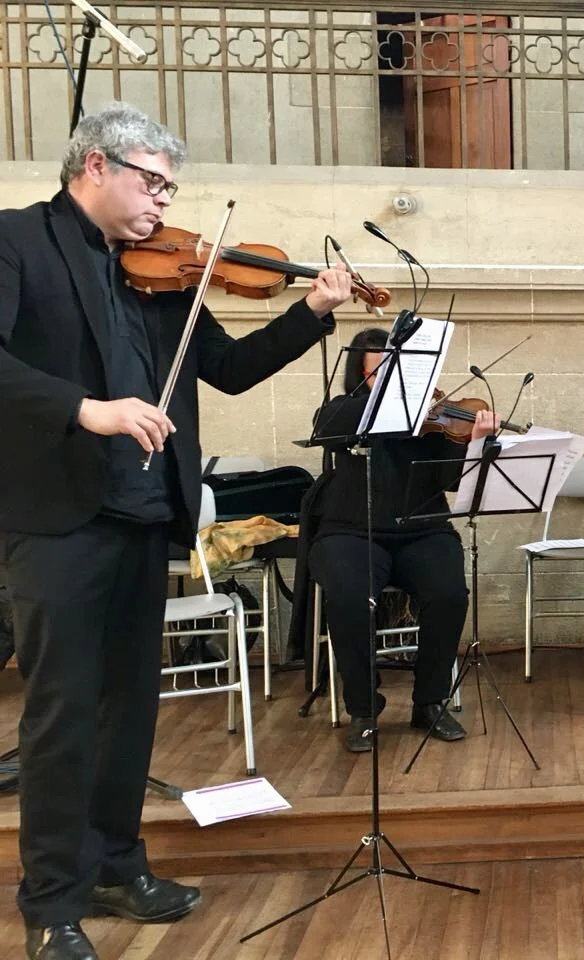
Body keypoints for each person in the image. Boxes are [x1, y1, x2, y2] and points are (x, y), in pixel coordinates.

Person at [0, 102, 351, 960]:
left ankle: (119, 864)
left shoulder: (161, 276)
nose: (163, 201)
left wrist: (311, 313)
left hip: (141, 516)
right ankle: (52, 902)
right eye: (152, 182)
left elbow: (225, 371)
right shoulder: (17, 240)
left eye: (169, 186)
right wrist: (85, 408)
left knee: (130, 711)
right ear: (96, 166)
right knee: (61, 712)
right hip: (56, 520)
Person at [307, 327, 497, 753]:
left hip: (424, 529)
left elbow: (451, 482)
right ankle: (363, 709)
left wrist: (476, 444)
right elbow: (325, 429)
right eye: (380, 372)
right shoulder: (343, 410)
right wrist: (381, 400)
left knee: (449, 592)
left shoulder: (437, 419)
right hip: (352, 531)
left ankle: (429, 701)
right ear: (359, 376)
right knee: (349, 596)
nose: (392, 380)